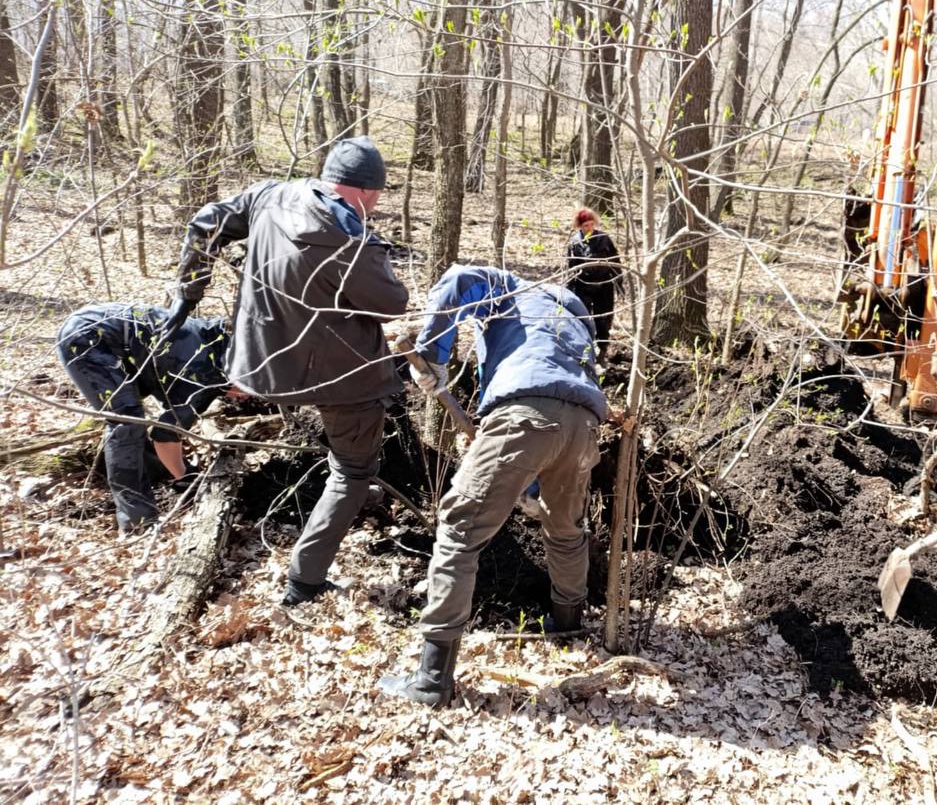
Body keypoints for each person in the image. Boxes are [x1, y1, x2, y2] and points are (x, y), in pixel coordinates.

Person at [165, 136, 410, 605]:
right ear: (366, 190)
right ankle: (305, 580)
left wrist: (189, 291)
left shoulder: (271, 195)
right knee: (353, 470)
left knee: (347, 458)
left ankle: (341, 519)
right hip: (340, 378)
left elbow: (206, 222)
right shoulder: (350, 238)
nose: (376, 204)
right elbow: (392, 304)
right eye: (377, 195)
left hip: (260, 366)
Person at [378, 266, 607, 707]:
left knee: (460, 530)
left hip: (521, 411)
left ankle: (431, 680)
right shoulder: (576, 316)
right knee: (564, 530)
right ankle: (568, 626)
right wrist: (533, 489)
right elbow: (561, 394)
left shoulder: (510, 289)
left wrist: (434, 356)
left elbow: (459, 280)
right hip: (584, 426)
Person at [56, 304, 229, 535]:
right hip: (88, 337)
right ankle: (137, 521)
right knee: (127, 422)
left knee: (132, 414)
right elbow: (165, 434)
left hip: (104, 329)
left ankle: (156, 473)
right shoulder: (204, 375)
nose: (248, 396)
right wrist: (187, 478)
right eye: (251, 388)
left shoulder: (215, 339)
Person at [566, 208, 622, 361]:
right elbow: (571, 268)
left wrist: (619, 281)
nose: (589, 228)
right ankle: (584, 351)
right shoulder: (574, 243)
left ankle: (602, 351)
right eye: (586, 225)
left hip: (604, 285)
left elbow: (615, 261)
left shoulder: (604, 238)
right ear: (580, 226)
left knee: (604, 319)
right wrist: (568, 289)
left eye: (592, 224)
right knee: (582, 319)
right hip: (583, 286)